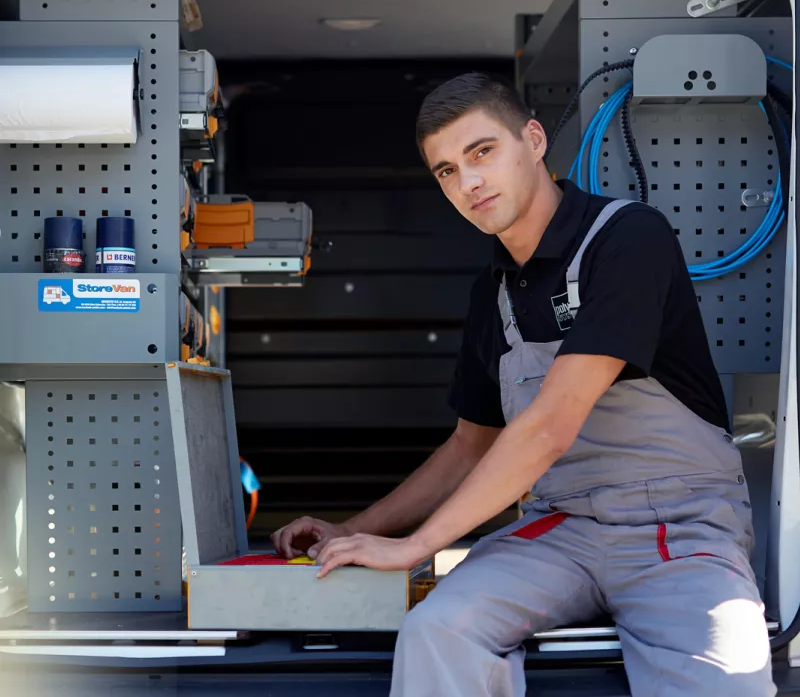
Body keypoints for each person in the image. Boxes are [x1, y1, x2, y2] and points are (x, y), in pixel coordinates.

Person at [272, 72, 774, 696]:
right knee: (438, 629)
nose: (468, 182)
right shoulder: (494, 294)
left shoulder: (628, 238)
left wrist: (418, 547)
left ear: (533, 140)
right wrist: (355, 530)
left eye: (482, 152)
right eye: (447, 171)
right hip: (559, 531)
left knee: (726, 677)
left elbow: (549, 426)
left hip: (678, 530)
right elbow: (470, 447)